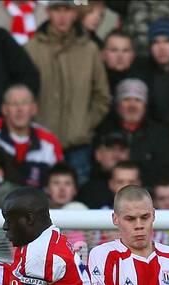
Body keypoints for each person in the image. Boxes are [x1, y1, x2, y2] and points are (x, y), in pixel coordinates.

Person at [23, 0, 108, 185]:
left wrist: (84, 125)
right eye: (56, 9)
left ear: (75, 13)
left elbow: (102, 96)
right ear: (47, 12)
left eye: (67, 9)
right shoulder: (31, 49)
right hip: (41, 144)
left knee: (78, 207)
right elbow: (23, 96)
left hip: (78, 145)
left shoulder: (90, 49)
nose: (62, 16)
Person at [0, 83, 64, 188]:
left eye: (25, 103)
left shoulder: (50, 141)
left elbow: (59, 181)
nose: (20, 109)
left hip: (37, 201)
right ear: (4, 109)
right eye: (14, 104)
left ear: (34, 109)